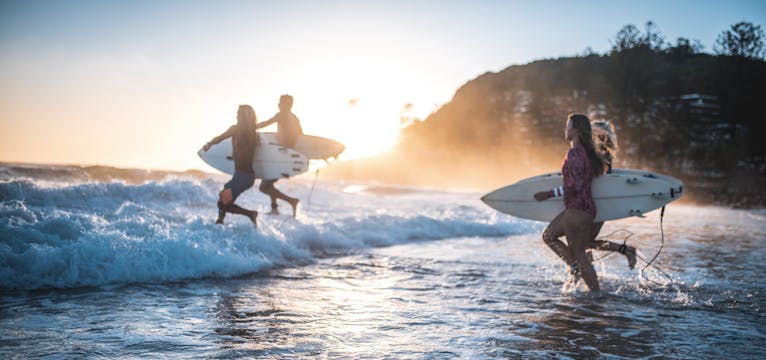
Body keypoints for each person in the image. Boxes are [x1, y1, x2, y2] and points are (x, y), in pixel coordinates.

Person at [534, 114, 608, 291]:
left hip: (577, 210)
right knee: (550, 236)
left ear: (575, 130)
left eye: (567, 127)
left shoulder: (575, 153)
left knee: (579, 255)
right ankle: (577, 271)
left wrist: (549, 194)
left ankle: (595, 293)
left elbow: (576, 185)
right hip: (584, 209)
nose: (565, 130)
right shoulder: (586, 153)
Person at [587, 120, 636, 268]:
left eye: (592, 132)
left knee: (584, 241)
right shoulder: (599, 152)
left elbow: (602, 180)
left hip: (597, 202)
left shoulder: (601, 154)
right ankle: (581, 272)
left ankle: (626, 250)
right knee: (584, 242)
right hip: (594, 201)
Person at [203, 105, 259, 227]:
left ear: (243, 116)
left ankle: (249, 214)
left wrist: (209, 144)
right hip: (245, 176)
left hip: (243, 176)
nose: (236, 115)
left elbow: (220, 138)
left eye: (238, 113)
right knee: (224, 200)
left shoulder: (237, 130)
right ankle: (220, 221)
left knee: (222, 202)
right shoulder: (253, 134)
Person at [254, 94, 301, 217]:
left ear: (285, 104)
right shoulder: (295, 118)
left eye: (280, 101)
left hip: (281, 156)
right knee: (268, 183)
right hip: (286, 156)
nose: (278, 104)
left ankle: (292, 201)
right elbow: (301, 134)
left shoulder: (282, 114)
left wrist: (251, 127)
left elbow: (266, 123)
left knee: (264, 187)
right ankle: (274, 209)